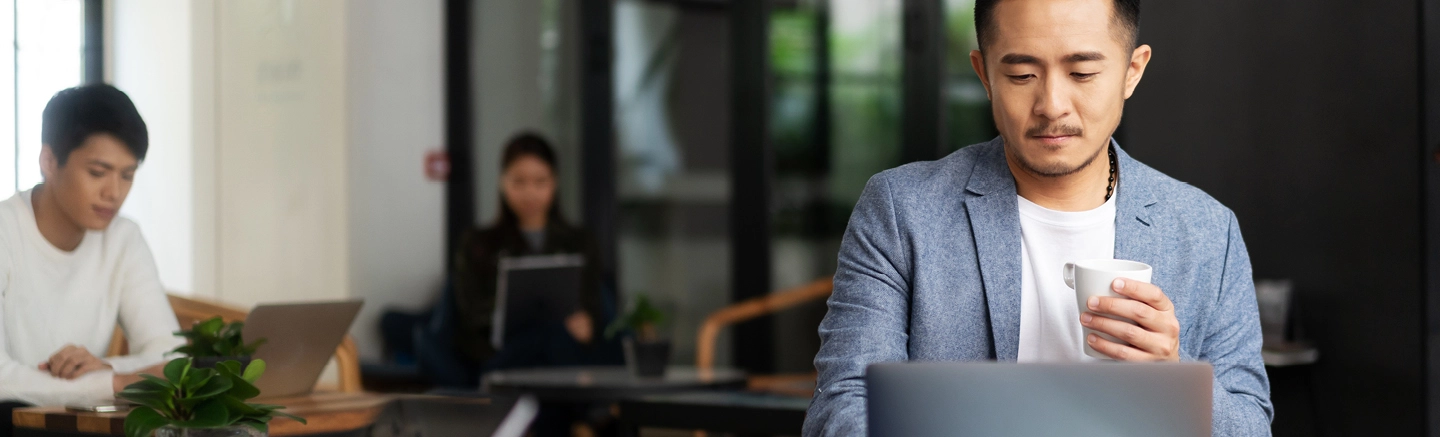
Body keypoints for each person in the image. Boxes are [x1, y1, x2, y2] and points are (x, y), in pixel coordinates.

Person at [803, 0, 1272, 435]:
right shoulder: (902, 210)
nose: (1052, 105)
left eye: (1083, 72)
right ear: (984, 74)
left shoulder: (1207, 230)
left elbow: (1252, 425)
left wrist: (1174, 376)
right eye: (1023, 75)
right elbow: (843, 405)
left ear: (1133, 71)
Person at [0, 85, 184, 417]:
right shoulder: (5, 231)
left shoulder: (123, 238)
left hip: (81, 422)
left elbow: (171, 356)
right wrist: (113, 383)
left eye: (127, 176)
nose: (113, 192)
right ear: (49, 161)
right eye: (97, 173)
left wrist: (103, 367)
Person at [452, 132, 603, 373]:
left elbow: (594, 305)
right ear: (503, 182)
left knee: (555, 338)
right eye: (519, 182)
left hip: (563, 350)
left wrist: (586, 325)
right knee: (542, 337)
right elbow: (469, 316)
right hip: (505, 354)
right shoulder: (478, 242)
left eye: (540, 182)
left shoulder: (580, 241)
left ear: (554, 182)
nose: (530, 193)